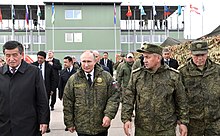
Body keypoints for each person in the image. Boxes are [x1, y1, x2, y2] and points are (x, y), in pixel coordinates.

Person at [121, 43, 188, 136]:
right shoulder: (137, 75)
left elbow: (181, 100)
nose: (144, 60)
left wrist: (183, 122)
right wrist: (126, 119)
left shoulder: (173, 76)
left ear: (158, 58)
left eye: (148, 57)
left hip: (166, 128)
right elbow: (129, 97)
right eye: (144, 57)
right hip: (143, 128)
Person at [63, 51, 120, 136]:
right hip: (82, 127)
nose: (86, 65)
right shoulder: (73, 79)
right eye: (84, 61)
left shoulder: (106, 77)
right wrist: (69, 122)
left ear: (95, 61)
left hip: (100, 126)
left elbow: (114, 96)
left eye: (89, 61)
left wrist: (108, 115)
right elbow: (68, 101)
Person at [0, 41, 49, 135]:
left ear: (22, 55)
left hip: (28, 126)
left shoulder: (34, 72)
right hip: (4, 126)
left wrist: (44, 120)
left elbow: (42, 98)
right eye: (8, 55)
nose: (11, 59)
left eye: (14, 55)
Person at [178, 41, 220, 135]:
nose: (200, 58)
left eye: (203, 55)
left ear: (207, 53)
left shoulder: (217, 70)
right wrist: (182, 122)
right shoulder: (182, 72)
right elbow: (179, 99)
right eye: (196, 55)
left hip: (215, 121)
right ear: (191, 54)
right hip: (193, 123)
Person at [32, 51, 56, 133]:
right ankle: (37, 124)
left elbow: (53, 79)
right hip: (34, 90)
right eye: (38, 58)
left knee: (45, 107)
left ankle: (46, 125)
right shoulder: (32, 65)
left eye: (41, 58)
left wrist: (52, 89)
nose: (39, 59)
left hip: (46, 89)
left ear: (44, 58)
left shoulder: (49, 66)